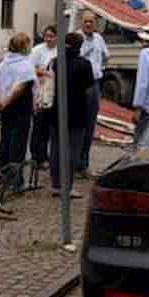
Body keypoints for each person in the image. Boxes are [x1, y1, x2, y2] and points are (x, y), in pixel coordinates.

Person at [47, 32, 94, 197]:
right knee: (73, 149)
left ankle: (55, 184)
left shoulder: (55, 62)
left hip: (55, 110)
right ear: (80, 46)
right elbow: (89, 90)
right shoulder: (84, 64)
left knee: (55, 147)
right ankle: (67, 186)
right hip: (77, 112)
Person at [0, 32, 37, 171]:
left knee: (5, 140)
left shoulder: (5, 62)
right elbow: (19, 88)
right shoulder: (25, 64)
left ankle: (1, 172)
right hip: (20, 108)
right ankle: (14, 177)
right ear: (25, 46)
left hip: (5, 108)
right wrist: (6, 102)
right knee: (18, 144)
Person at [77, 13, 110, 176]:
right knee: (78, 125)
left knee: (90, 125)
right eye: (86, 21)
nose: (88, 24)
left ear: (96, 23)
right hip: (79, 86)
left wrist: (98, 68)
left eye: (91, 21)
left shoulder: (99, 39)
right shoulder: (75, 37)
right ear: (81, 22)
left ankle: (84, 165)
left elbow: (106, 57)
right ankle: (74, 164)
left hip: (94, 84)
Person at [28, 26, 61, 166]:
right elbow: (29, 67)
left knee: (49, 127)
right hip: (40, 91)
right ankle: (37, 156)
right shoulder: (37, 50)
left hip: (54, 92)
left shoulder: (60, 50)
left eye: (51, 36)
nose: (48, 39)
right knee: (39, 126)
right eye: (46, 36)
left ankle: (45, 155)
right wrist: (43, 72)